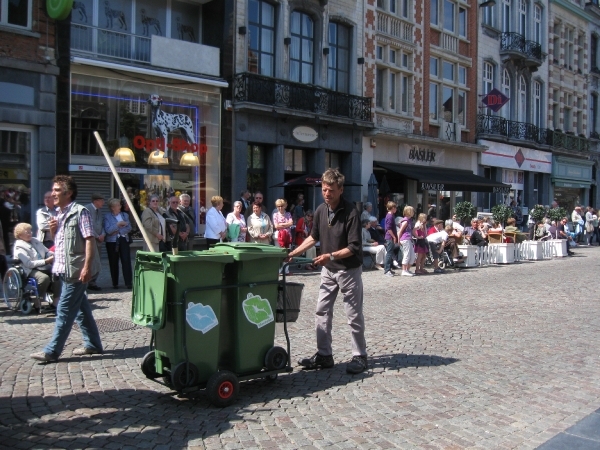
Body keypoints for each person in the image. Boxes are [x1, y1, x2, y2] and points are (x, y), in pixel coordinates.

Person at [287, 168, 367, 375]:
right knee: (321, 311)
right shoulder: (321, 210)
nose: (327, 194)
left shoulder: (351, 212)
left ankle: (360, 356)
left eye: (331, 190)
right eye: (324, 189)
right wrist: (293, 252)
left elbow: (354, 248)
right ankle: (324, 355)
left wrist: (329, 256)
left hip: (348, 270)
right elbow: (313, 237)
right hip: (328, 270)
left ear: (340, 189)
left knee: (353, 314)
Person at [30, 175, 103, 362]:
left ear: (68, 193)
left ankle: (52, 351)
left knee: (64, 309)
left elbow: (89, 239)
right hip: (63, 269)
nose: (52, 193)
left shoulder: (80, 212)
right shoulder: (59, 214)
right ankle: (93, 344)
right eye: (52, 190)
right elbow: (61, 244)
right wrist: (54, 230)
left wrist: (86, 267)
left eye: (56, 190)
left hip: (76, 271)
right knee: (81, 309)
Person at [13, 222, 55, 309]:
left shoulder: (35, 241)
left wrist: (54, 254)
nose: (30, 233)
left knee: (58, 274)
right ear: (20, 235)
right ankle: (37, 299)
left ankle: (56, 300)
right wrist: (46, 261)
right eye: (27, 232)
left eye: (30, 231)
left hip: (43, 266)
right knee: (44, 278)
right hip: (30, 269)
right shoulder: (19, 247)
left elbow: (47, 252)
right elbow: (29, 264)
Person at [103, 198, 133, 289]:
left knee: (126, 260)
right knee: (113, 262)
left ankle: (128, 282)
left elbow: (129, 228)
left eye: (120, 205)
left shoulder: (124, 215)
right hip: (112, 242)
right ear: (112, 207)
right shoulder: (107, 216)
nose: (120, 207)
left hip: (123, 239)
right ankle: (115, 283)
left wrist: (118, 231)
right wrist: (118, 224)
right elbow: (108, 230)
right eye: (118, 205)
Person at [84, 193, 105, 291]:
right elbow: (88, 226)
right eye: (101, 200)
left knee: (98, 261)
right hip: (92, 240)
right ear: (95, 201)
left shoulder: (99, 211)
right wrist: (97, 236)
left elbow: (102, 223)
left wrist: (103, 234)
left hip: (99, 240)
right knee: (93, 261)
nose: (103, 203)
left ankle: (93, 281)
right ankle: (89, 281)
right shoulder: (87, 209)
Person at [397, 205, 416, 277]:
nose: (413, 212)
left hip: (408, 239)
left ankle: (407, 269)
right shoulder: (406, 220)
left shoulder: (409, 220)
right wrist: (398, 240)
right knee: (407, 255)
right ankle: (404, 270)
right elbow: (400, 231)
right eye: (412, 211)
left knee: (412, 256)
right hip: (405, 239)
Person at [383, 201, 398, 277]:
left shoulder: (391, 215)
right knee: (389, 254)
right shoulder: (389, 216)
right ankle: (387, 270)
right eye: (395, 207)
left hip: (390, 237)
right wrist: (394, 237)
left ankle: (389, 268)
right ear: (392, 208)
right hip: (389, 237)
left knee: (391, 253)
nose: (396, 209)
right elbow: (388, 228)